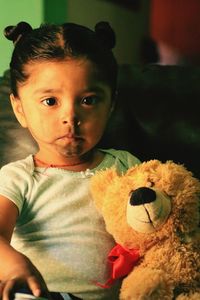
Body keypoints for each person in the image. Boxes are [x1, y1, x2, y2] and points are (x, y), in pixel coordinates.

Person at [0, 21, 140, 300]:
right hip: (39, 293)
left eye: (88, 100)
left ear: (110, 105)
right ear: (20, 109)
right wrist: (13, 264)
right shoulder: (19, 177)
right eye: (50, 101)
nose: (70, 117)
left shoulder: (125, 167)